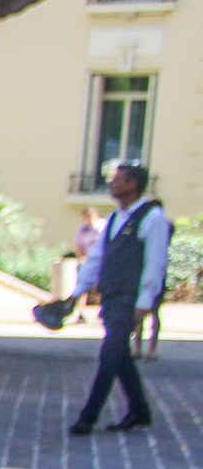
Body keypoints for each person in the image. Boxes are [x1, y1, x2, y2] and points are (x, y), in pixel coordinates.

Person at [67, 162, 167, 435]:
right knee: (120, 355)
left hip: (130, 298)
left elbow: (155, 262)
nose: (112, 184)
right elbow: (97, 258)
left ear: (133, 185)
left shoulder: (152, 218)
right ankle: (140, 410)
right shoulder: (114, 218)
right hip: (112, 296)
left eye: (118, 180)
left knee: (109, 356)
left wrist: (144, 303)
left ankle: (88, 417)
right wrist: (77, 292)